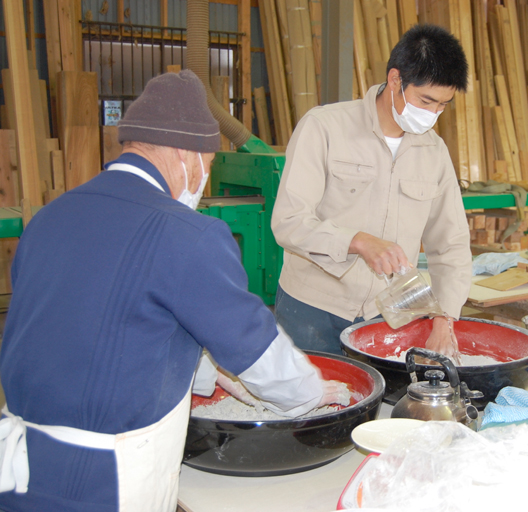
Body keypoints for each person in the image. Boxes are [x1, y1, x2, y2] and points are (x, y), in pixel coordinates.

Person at [0, 70, 347, 512]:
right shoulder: (188, 233)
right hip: (102, 482)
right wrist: (310, 393)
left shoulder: (49, 218)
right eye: (210, 162)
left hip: (19, 468)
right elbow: (257, 350)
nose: (205, 177)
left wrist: (202, 372)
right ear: (188, 154)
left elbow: (97, 326)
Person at [271, 24, 472, 359]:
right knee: (310, 407)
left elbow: (450, 245)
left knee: (380, 406)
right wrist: (358, 241)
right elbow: (289, 222)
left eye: (443, 105)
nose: (433, 114)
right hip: (313, 308)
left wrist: (444, 317)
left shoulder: (434, 152)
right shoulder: (324, 128)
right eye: (426, 101)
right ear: (396, 79)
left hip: (391, 314)